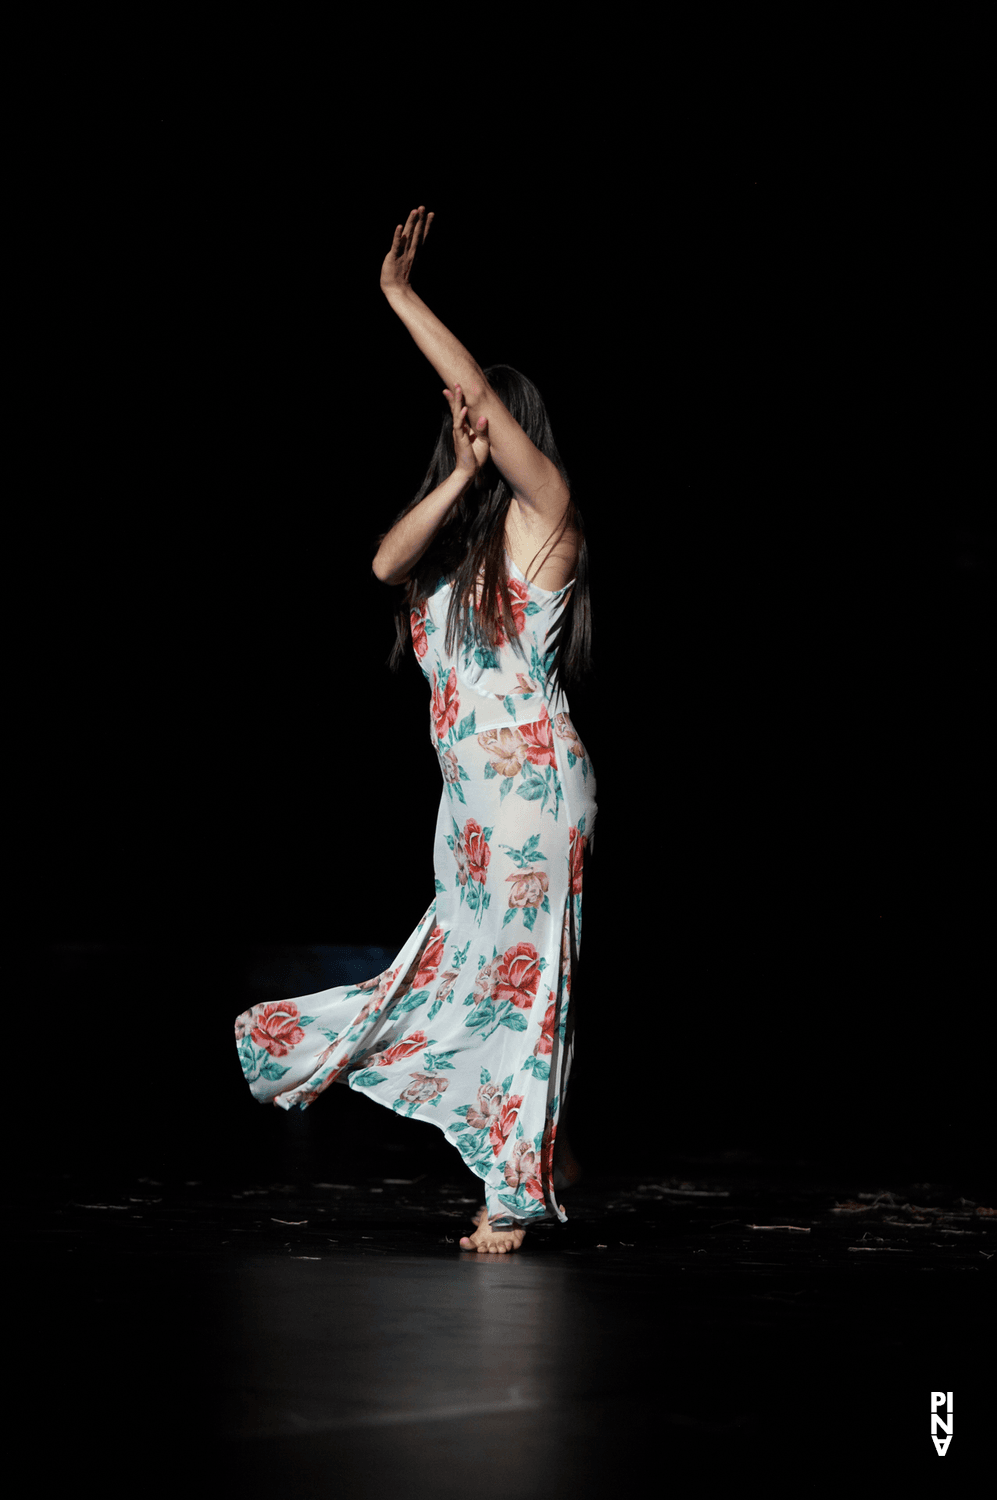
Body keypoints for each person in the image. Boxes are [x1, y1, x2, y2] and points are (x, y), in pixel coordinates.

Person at [234, 207, 597, 1253]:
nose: (463, 421)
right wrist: (458, 476)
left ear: (507, 422)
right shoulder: (449, 556)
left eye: (476, 418)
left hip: (532, 790)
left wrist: (399, 296)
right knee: (458, 972)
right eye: (454, 421)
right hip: (469, 808)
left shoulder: (550, 521)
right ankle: (544, 1147)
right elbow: (385, 565)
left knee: (525, 981)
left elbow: (479, 392)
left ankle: (512, 1194)